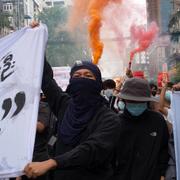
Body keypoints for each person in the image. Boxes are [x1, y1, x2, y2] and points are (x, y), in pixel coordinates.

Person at [23, 60, 120, 180]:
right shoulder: (65, 105)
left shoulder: (109, 118)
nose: (82, 79)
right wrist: (37, 45)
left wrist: (52, 163)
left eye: (88, 76)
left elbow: (92, 149)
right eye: (77, 76)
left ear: (98, 83)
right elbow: (46, 80)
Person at [113, 77, 169, 180]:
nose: (136, 104)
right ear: (124, 100)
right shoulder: (115, 122)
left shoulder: (157, 121)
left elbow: (164, 149)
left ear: (147, 101)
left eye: (140, 101)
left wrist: (162, 173)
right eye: (132, 101)